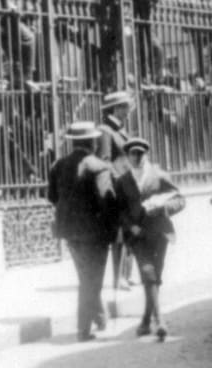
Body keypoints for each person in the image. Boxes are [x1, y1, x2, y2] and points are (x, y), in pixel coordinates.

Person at [48, 121, 115, 342]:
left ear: (73, 142)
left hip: (69, 231)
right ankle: (83, 329)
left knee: (86, 276)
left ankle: (100, 317)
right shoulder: (99, 166)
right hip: (95, 233)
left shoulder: (58, 165)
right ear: (93, 142)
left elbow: (52, 197)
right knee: (92, 280)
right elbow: (106, 201)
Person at [115, 137, 182, 341]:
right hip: (138, 236)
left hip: (159, 232)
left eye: (140, 153)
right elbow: (119, 210)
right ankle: (159, 321)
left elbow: (180, 199)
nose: (137, 157)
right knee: (148, 272)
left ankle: (145, 320)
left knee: (155, 275)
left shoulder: (159, 176)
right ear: (127, 157)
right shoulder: (123, 181)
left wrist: (163, 207)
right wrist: (130, 226)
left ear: (146, 154)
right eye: (133, 154)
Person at [96, 90, 134, 292]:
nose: (128, 111)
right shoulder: (105, 130)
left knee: (129, 231)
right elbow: (105, 161)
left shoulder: (120, 130)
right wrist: (119, 180)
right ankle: (118, 278)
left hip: (129, 188)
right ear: (115, 108)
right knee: (119, 234)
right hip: (117, 189)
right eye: (125, 107)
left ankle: (126, 275)